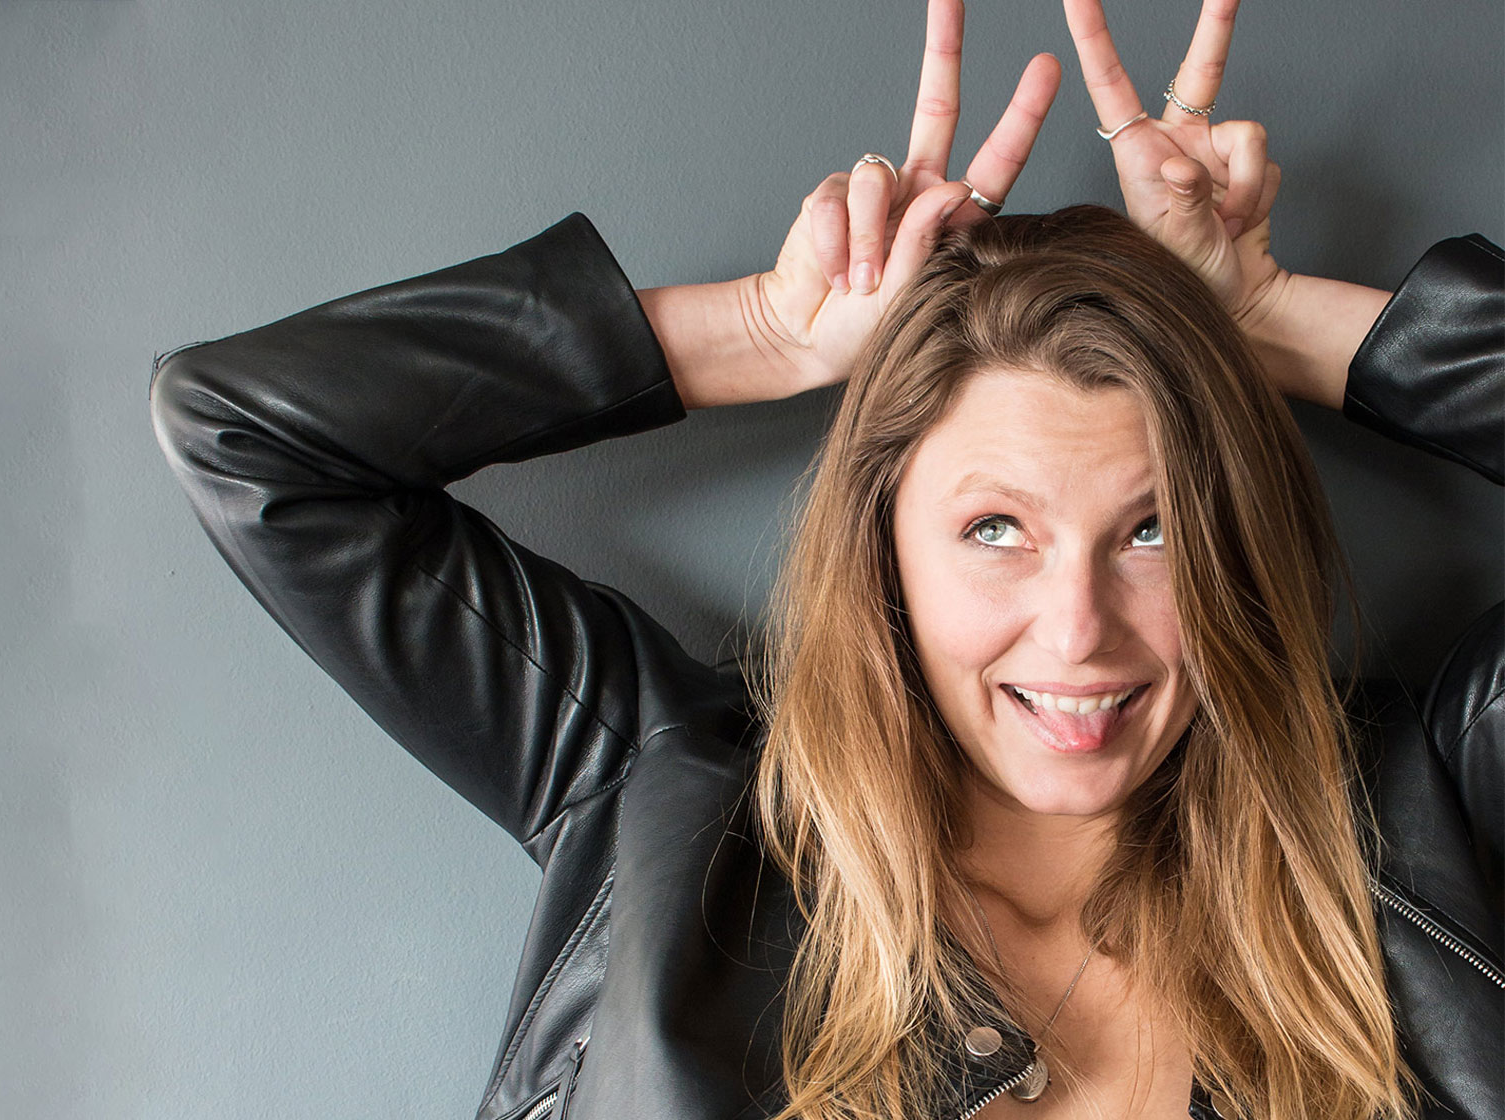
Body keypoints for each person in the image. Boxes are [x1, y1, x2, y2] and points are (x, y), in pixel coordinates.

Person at [149, 0, 1504, 1116]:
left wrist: (1266, 320)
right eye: (995, 530)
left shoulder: (1410, 827)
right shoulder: (669, 810)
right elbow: (246, 435)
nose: (1077, 627)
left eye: (1153, 530)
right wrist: (762, 334)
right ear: (885, 547)